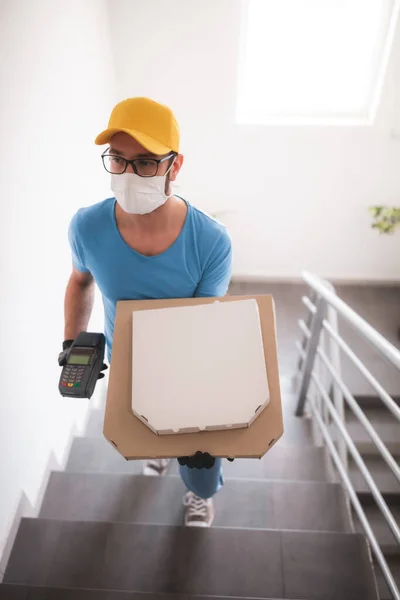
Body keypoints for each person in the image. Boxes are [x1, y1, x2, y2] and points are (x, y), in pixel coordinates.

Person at [60, 97, 232, 527]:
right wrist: (70, 343)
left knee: (201, 465)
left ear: (175, 166)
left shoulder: (210, 241)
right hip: (126, 363)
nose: (129, 174)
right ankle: (159, 455)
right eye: (118, 159)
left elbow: (204, 324)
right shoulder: (87, 227)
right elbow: (81, 281)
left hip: (188, 368)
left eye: (146, 162)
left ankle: (198, 492)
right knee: (148, 432)